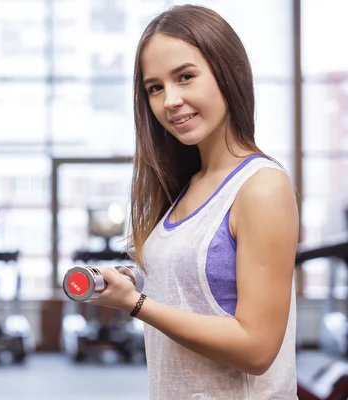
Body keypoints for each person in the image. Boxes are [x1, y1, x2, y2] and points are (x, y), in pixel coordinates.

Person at [90, 5, 299, 399]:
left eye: (185, 77)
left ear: (227, 71)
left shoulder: (262, 188)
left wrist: (135, 304)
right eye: (155, 88)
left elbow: (257, 349)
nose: (170, 100)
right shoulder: (187, 186)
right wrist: (132, 279)